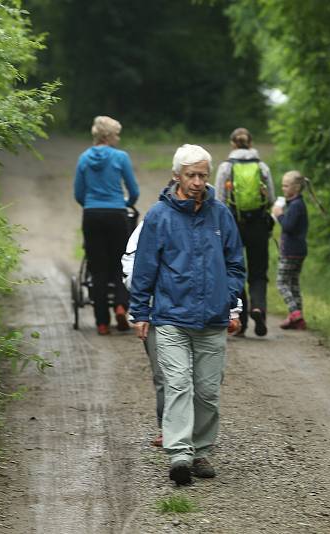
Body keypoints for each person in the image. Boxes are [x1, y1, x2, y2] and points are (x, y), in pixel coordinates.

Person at [130, 144, 245, 485]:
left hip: (212, 319)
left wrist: (228, 296)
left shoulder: (220, 215)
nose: (197, 182)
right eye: (191, 175)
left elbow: (236, 263)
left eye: (202, 175)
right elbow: (145, 267)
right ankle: (180, 454)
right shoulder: (159, 216)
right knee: (178, 385)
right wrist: (140, 311)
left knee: (207, 390)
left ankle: (201, 450)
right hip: (170, 318)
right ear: (176, 176)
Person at [122, 215, 242, 449]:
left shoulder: (215, 219)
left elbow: (228, 266)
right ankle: (170, 432)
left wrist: (233, 307)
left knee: (204, 382)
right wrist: (143, 303)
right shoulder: (155, 220)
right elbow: (132, 262)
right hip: (161, 311)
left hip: (206, 314)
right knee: (167, 376)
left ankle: (196, 441)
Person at [74, 116, 139, 335]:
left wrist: (92, 205)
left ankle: (102, 323)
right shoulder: (121, 157)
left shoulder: (83, 158)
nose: (118, 138)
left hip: (92, 215)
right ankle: (121, 305)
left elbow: (78, 193)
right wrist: (124, 204)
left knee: (98, 268)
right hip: (117, 215)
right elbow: (134, 191)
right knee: (121, 263)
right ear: (108, 136)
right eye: (116, 134)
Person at [215, 127, 274, 337]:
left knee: (236, 270)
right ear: (251, 143)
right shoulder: (262, 167)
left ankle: (239, 321)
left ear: (232, 144)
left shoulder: (225, 168)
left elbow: (219, 200)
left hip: (233, 225)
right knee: (258, 272)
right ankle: (259, 309)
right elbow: (271, 200)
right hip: (258, 224)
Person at [272, 170, 309, 330]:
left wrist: (279, 215)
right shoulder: (296, 204)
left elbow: (288, 226)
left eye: (286, 186)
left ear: (296, 188)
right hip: (298, 250)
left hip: (291, 251)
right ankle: (297, 319)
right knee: (293, 283)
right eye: (283, 186)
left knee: (281, 283)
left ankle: (295, 313)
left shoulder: (296, 206)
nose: (284, 189)